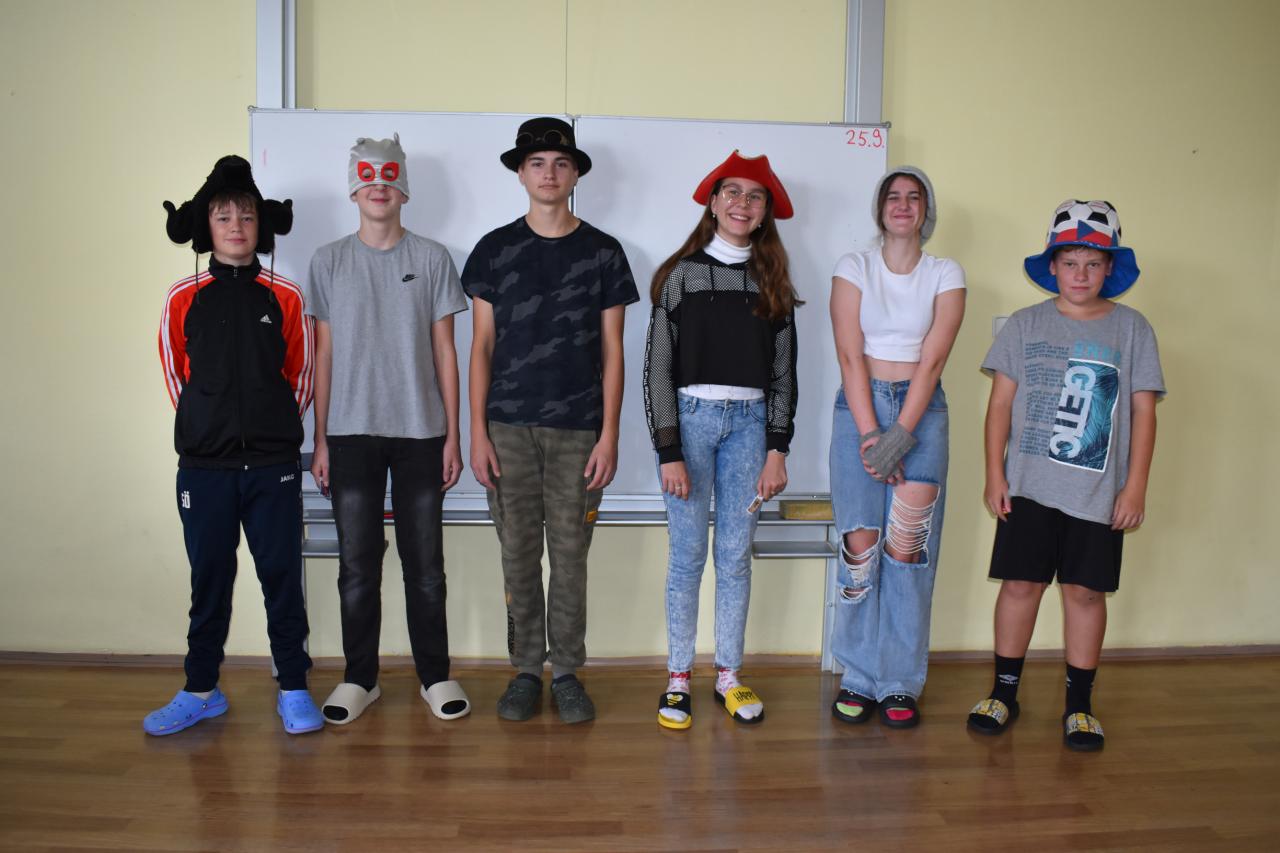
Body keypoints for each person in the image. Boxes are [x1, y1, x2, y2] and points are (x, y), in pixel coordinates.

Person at [966, 199, 1163, 751]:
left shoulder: (1132, 329)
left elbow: (1144, 412)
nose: (1081, 274)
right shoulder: (1025, 324)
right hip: (1028, 486)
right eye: (1070, 262)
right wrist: (994, 474)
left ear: (1109, 269)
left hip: (1098, 494)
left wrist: (1135, 486)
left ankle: (1079, 705)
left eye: (1093, 263)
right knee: (1020, 585)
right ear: (1052, 266)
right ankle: (1003, 693)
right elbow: (1000, 406)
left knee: (1086, 594)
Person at [463, 117, 638, 723]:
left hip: (578, 431)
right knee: (516, 555)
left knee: (569, 558)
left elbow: (613, 351)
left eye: (561, 163)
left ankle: (565, 672)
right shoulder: (493, 250)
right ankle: (523, 671)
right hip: (507, 430)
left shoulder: (604, 253)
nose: (549, 173)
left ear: (575, 174)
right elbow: (481, 347)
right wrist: (477, 432)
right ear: (520, 172)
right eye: (537, 163)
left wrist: (609, 435)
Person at [150, 155, 322, 735]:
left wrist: (273, 426)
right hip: (205, 468)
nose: (236, 226)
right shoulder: (183, 295)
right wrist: (206, 426)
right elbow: (176, 373)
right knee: (209, 579)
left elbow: (301, 375)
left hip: (272, 466)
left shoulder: (286, 295)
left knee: (280, 575)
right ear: (207, 225)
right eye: (223, 217)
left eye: (246, 216)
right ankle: (201, 690)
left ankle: (293, 687)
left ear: (260, 225)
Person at [307, 134, 471, 725]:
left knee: (425, 565)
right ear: (354, 189)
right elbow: (323, 354)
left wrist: (453, 436)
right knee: (357, 565)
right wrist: (320, 439)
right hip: (349, 434)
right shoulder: (327, 260)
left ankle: (435, 675)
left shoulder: (432, 258)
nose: (379, 187)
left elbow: (445, 351)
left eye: (389, 177)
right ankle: (360, 678)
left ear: (403, 189)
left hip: (420, 433)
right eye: (368, 177)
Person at [644, 151, 800, 729]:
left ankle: (729, 674)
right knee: (687, 557)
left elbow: (783, 372)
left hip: (751, 430)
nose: (742, 203)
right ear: (713, 203)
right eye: (731, 192)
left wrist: (777, 449)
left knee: (734, 557)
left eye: (754, 196)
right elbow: (658, 369)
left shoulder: (771, 280)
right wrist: (669, 451)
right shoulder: (681, 275)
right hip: (689, 423)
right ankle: (678, 677)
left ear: (764, 213)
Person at [827, 166, 966, 729]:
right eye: (893, 196)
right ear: (880, 208)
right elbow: (849, 354)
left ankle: (900, 681)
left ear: (926, 210)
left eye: (914, 197)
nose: (903, 205)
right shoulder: (853, 266)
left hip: (922, 412)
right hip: (858, 409)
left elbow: (933, 360)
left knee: (906, 552)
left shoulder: (945, 272)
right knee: (860, 549)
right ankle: (859, 676)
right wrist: (871, 434)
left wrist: (900, 436)